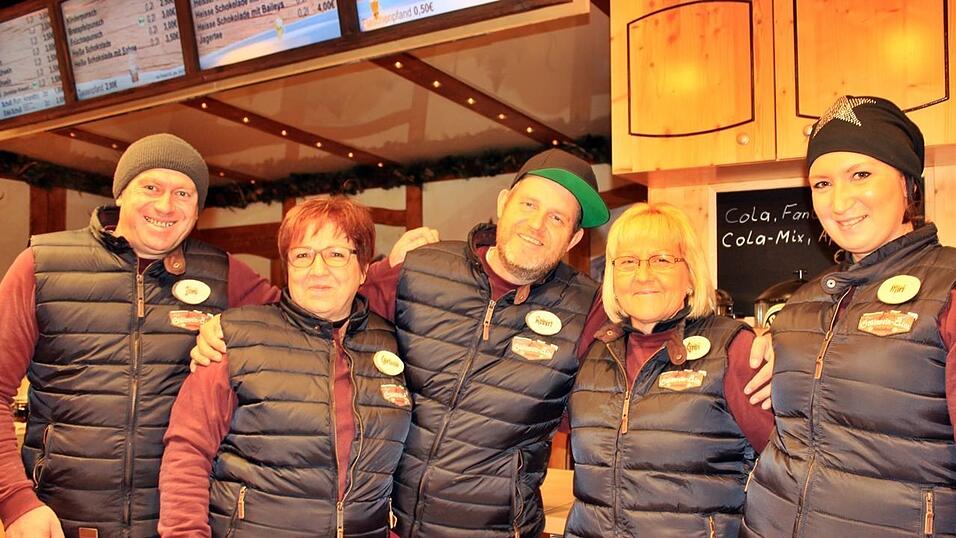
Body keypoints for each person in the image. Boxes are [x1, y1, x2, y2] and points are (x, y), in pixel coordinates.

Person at [192, 148, 775, 537]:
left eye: (557, 219)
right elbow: (324, 297)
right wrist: (234, 331)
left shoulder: (589, 306)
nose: (536, 225)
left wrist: (754, 338)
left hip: (501, 530)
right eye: (529, 205)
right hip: (395, 523)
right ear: (502, 205)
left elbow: (657, 318)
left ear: (573, 238)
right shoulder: (421, 269)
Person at [0, 134, 278, 538]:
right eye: (151, 187)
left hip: (180, 525)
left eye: (183, 193)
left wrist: (393, 267)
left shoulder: (222, 273)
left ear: (197, 209)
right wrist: (16, 502)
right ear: (121, 194)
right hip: (61, 522)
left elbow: (304, 317)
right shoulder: (41, 265)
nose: (166, 205)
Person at [741, 96, 956, 537]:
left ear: (907, 184)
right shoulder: (802, 305)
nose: (839, 202)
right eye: (821, 183)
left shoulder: (949, 287)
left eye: (861, 174)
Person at [158, 198, 410, 537]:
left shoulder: (393, 343)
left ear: (363, 268)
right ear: (287, 267)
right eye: (303, 255)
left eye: (336, 254)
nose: (318, 270)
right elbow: (188, 451)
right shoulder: (236, 337)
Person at [564, 203, 773, 537]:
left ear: (690, 275)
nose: (643, 275)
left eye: (661, 260)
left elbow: (791, 465)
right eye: (628, 261)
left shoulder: (733, 349)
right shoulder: (592, 354)